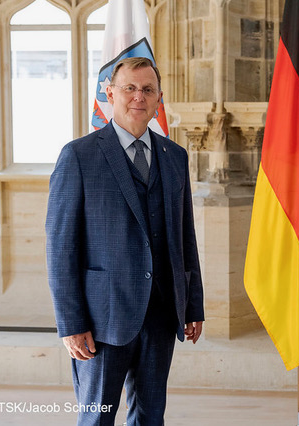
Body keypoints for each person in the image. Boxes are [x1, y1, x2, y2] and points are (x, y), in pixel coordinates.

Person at [46, 57, 204, 425]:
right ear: (110, 92)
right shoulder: (79, 156)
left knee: (151, 416)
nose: (139, 97)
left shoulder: (175, 156)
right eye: (130, 88)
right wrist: (70, 322)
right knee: (97, 416)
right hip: (102, 319)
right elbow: (60, 248)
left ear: (158, 97)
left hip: (163, 314)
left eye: (147, 89)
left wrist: (191, 304)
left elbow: (185, 237)